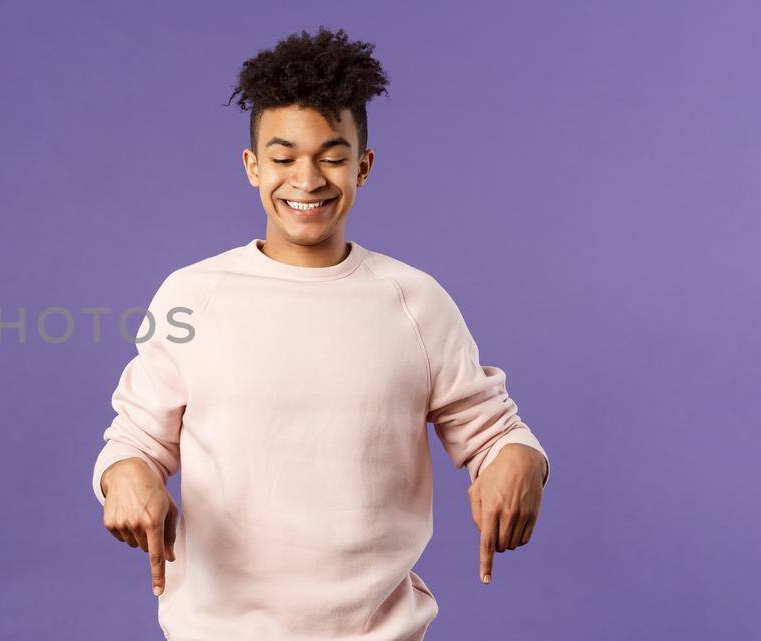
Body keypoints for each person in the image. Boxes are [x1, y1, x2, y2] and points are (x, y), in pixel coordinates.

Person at [92, 27, 549, 640]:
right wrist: (124, 477)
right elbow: (136, 442)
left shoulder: (416, 302)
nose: (306, 180)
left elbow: (493, 431)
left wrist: (518, 460)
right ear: (252, 167)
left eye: (332, 157)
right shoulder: (190, 296)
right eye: (283, 158)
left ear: (363, 165)